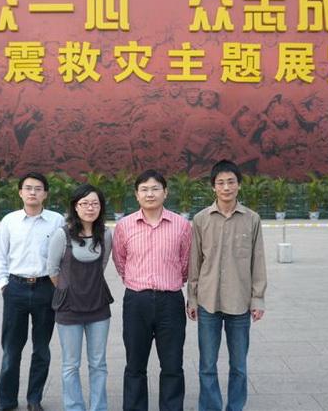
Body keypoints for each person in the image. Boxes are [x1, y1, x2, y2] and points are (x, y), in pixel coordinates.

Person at [187, 159, 267, 411]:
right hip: (207, 302)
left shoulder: (252, 219)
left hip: (240, 302)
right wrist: (192, 299)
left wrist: (257, 299)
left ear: (239, 185)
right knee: (207, 365)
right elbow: (195, 263)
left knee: (239, 365)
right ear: (213, 187)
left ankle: (235, 407)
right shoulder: (201, 219)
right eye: (220, 182)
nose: (226, 187)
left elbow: (258, 262)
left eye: (231, 182)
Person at [112, 170, 192, 411]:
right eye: (144, 189)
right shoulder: (124, 226)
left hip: (171, 301)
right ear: (136, 194)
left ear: (165, 192)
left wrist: (171, 281)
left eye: (155, 188)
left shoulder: (181, 225)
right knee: (135, 364)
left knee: (172, 364)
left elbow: (186, 262)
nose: (150, 194)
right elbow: (120, 261)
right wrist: (137, 281)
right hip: (137, 301)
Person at [0, 172, 65, 411]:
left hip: (45, 289)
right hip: (16, 289)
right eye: (28, 188)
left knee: (41, 349)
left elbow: (64, 256)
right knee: (11, 350)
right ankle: (6, 401)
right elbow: (0, 256)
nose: (33, 192)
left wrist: (58, 286)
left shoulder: (56, 221)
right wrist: (4, 285)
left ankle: (34, 399)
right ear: (20, 192)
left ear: (45, 194)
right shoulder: (10, 221)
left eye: (38, 188)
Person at [47, 184, 114, 411]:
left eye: (95, 203)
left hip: (98, 306)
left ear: (101, 207)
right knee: (70, 364)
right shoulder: (62, 234)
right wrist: (68, 289)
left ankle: (98, 407)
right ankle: (74, 407)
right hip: (68, 308)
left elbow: (103, 263)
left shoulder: (106, 234)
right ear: (75, 207)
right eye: (84, 203)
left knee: (98, 364)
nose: (90, 208)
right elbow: (52, 269)